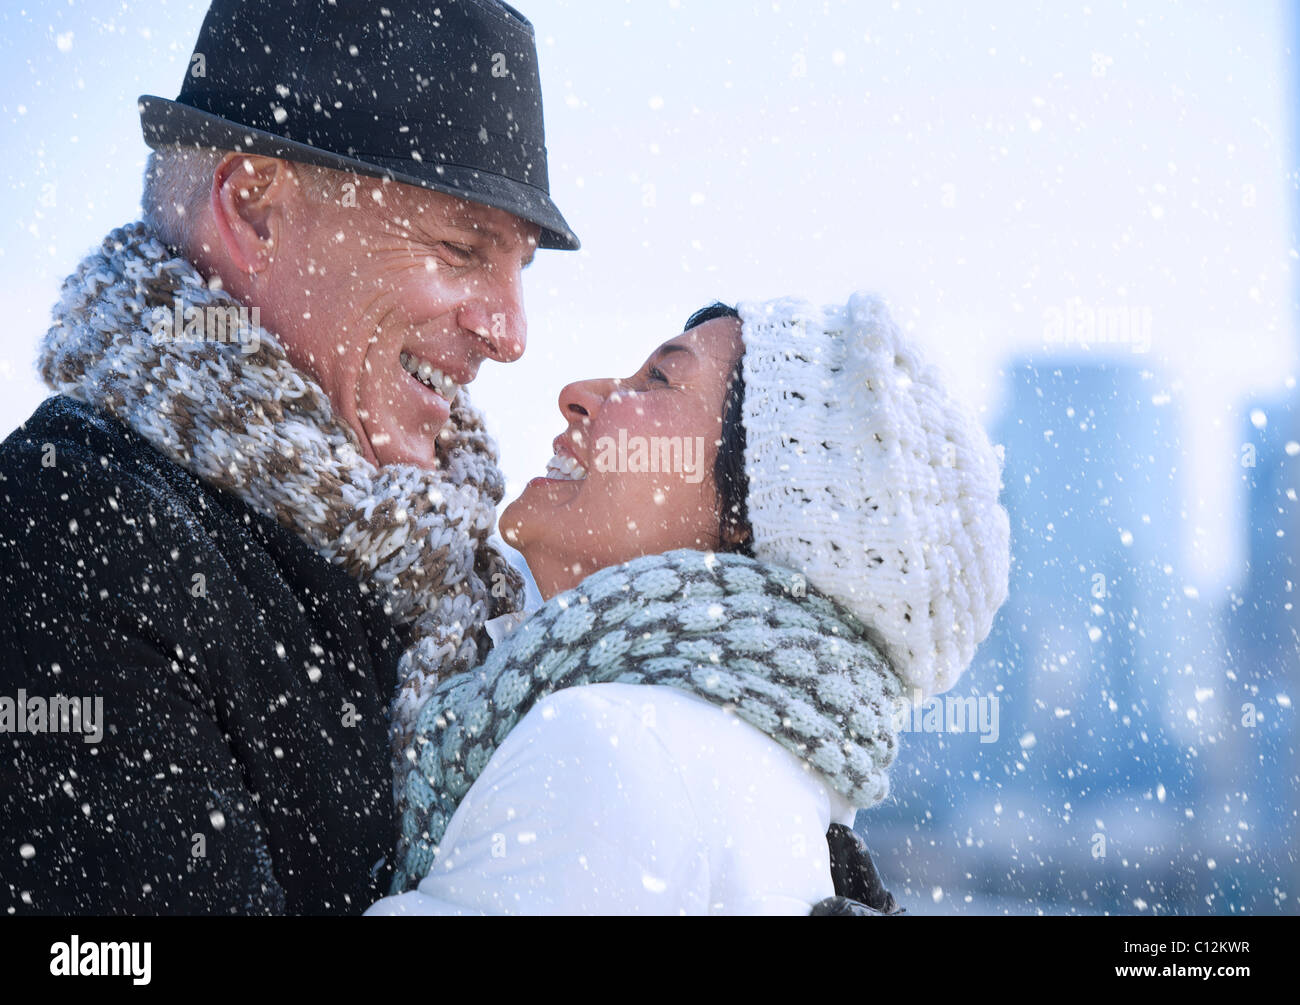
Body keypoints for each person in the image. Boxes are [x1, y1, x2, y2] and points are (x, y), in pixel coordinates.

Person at [0, 0, 577, 915]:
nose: (509, 334)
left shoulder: (435, 567)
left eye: (520, 271)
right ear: (253, 209)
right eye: (465, 250)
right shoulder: (69, 531)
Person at [368, 292, 1012, 915]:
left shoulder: (611, 749)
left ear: (749, 519)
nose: (579, 395)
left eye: (659, 381)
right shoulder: (762, 783)